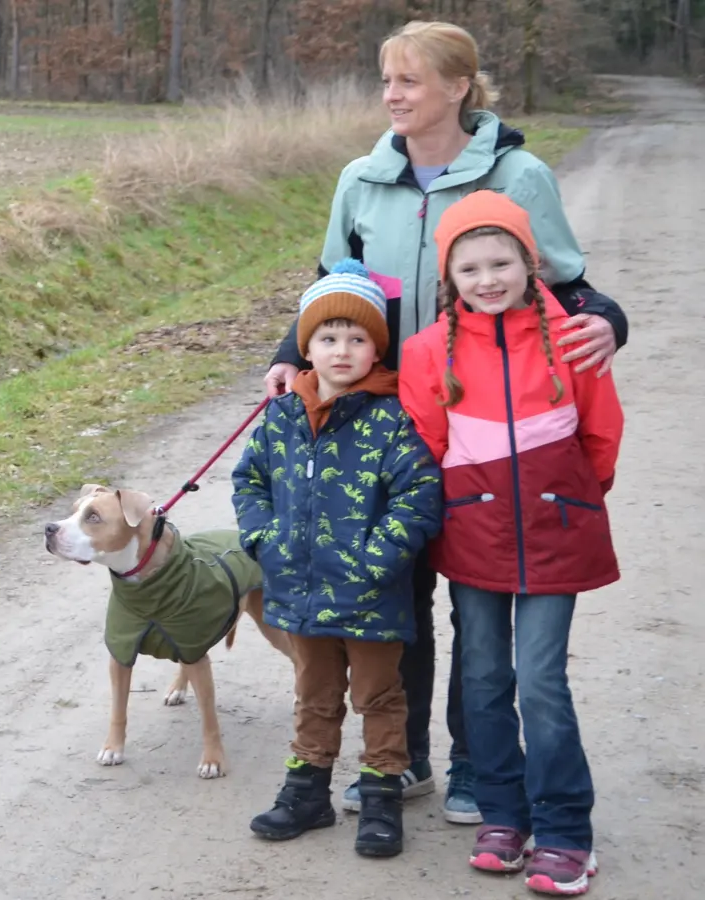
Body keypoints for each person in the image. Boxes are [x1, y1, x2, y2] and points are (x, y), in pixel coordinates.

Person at [260, 19, 630, 824]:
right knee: (394, 594)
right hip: (380, 415)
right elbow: (336, 281)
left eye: (408, 81)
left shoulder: (517, 172)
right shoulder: (362, 176)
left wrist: (610, 321)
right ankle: (406, 759)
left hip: (483, 421)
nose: (391, 95)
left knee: (478, 598)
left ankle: (474, 764)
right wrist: (294, 351)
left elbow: (562, 282)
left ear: (458, 88)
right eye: (386, 81)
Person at [398, 190, 620, 897]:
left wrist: (568, 500)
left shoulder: (575, 338)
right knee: (485, 678)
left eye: (502, 263)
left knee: (542, 681)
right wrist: (463, 510)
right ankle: (504, 814)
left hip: (558, 529)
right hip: (475, 533)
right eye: (470, 268)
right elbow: (426, 448)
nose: (487, 279)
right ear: (449, 277)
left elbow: (600, 437)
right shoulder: (427, 351)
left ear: (531, 264)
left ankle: (564, 831)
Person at [232, 260, 444, 859]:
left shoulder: (393, 418)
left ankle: (380, 797)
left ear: (377, 347)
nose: (342, 350)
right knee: (314, 696)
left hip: (371, 594)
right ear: (307, 348)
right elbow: (249, 481)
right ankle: (307, 793)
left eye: (357, 339)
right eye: (328, 338)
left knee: (379, 697)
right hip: (299, 593)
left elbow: (419, 495)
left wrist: (379, 558)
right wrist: (263, 540)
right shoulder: (282, 417)